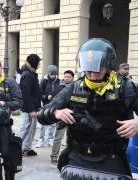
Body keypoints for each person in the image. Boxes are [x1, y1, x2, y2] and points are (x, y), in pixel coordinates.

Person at [37, 38, 138, 178]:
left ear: (109, 66)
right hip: (77, 157)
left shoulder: (125, 88)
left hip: (111, 158)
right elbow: (41, 114)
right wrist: (56, 113)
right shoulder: (73, 88)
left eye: (98, 70)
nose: (92, 75)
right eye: (89, 71)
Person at [17, 54, 42, 156]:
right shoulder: (27, 75)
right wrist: (31, 110)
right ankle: (16, 148)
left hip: (32, 107)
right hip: (29, 108)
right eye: (38, 62)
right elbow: (26, 95)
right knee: (25, 127)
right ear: (34, 63)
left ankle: (26, 148)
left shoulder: (30, 73)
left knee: (31, 128)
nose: (39, 64)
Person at [50, 70, 74, 164]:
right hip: (62, 116)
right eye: (65, 76)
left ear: (73, 78)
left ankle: (70, 157)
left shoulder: (76, 87)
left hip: (73, 116)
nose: (66, 78)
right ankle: (54, 156)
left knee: (72, 138)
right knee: (58, 137)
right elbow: (55, 101)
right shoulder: (59, 87)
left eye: (68, 77)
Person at [36, 65, 60, 148]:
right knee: (43, 123)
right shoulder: (44, 81)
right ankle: (41, 139)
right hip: (45, 104)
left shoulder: (59, 81)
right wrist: (46, 97)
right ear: (48, 73)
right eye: (51, 74)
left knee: (53, 123)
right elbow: (39, 94)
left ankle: (50, 138)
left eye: (54, 74)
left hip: (54, 105)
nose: (52, 76)